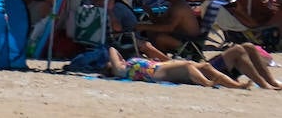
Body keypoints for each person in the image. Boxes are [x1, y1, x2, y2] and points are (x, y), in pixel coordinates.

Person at [101, 46, 250, 88]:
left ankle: (237, 86)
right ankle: (207, 83)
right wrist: (119, 61)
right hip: (157, 73)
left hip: (162, 66)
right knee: (187, 65)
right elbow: (112, 49)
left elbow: (115, 53)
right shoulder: (121, 71)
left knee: (205, 66)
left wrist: (122, 59)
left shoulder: (127, 65)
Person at [137, 0, 201, 53]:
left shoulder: (179, 8)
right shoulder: (174, 4)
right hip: (179, 36)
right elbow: (160, 22)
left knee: (160, 38)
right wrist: (150, 13)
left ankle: (163, 58)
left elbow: (168, 28)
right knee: (151, 32)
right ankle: (159, 55)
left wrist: (144, 26)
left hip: (189, 42)